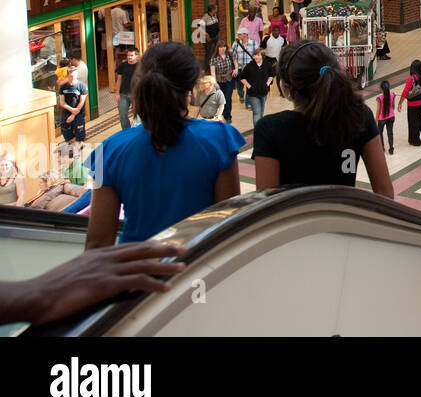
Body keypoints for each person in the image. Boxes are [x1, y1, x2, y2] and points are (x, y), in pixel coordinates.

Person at [84, 43, 243, 247]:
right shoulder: (220, 140)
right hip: (198, 269)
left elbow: (97, 244)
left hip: (134, 271)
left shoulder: (109, 150)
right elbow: (228, 229)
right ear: (188, 90)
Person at [253, 41, 394, 197]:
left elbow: (267, 205)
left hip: (296, 220)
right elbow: (385, 193)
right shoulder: (358, 116)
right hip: (343, 217)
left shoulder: (270, 129)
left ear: (287, 89)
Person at [0, 241, 189, 326]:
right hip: (134, 274)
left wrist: (37, 293)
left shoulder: (106, 159)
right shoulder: (216, 158)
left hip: (124, 276)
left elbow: (98, 241)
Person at [398, 59, 421, 146]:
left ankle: (415, 141)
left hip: (413, 103)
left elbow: (405, 92)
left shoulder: (412, 78)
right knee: (419, 117)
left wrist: (400, 103)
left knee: (413, 121)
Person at [236, 48, 274, 127]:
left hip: (264, 92)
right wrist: (249, 86)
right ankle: (257, 131)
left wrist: (267, 83)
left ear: (262, 56)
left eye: (258, 55)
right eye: (255, 55)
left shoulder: (267, 65)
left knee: (261, 111)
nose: (255, 57)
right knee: (256, 112)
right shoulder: (249, 66)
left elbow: (271, 75)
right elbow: (242, 77)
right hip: (253, 93)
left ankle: (260, 128)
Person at [57, 69, 89, 149]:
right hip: (67, 111)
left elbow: (81, 102)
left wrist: (73, 114)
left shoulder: (82, 86)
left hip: (78, 112)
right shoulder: (63, 87)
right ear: (68, 75)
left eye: (74, 75)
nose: (72, 77)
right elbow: (62, 102)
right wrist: (71, 110)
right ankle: (72, 145)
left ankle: (79, 144)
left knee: (79, 130)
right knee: (65, 128)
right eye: (71, 76)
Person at [209, 41, 236, 124]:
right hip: (219, 81)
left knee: (228, 98)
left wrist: (236, 69)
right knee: (221, 99)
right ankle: (222, 114)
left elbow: (235, 64)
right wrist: (215, 82)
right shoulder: (214, 59)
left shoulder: (230, 55)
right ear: (217, 48)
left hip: (229, 79)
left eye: (224, 47)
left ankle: (228, 116)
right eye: (220, 47)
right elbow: (212, 72)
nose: (222, 48)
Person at [115, 46, 139, 131]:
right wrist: (117, 93)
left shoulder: (141, 66)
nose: (129, 57)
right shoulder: (122, 66)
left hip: (136, 94)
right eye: (128, 55)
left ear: (136, 55)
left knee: (137, 115)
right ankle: (126, 132)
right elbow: (119, 79)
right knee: (122, 114)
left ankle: (135, 132)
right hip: (123, 94)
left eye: (131, 55)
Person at [374, 80, 396, 155]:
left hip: (382, 119)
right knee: (390, 133)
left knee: (380, 133)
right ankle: (391, 149)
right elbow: (393, 106)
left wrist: (376, 120)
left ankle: (382, 148)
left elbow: (378, 110)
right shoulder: (392, 95)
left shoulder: (379, 98)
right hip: (391, 117)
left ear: (381, 89)